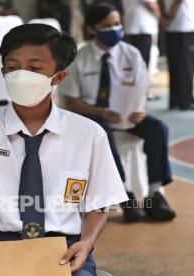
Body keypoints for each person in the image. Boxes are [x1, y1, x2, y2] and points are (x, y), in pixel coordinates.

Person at [0, 23, 128, 276]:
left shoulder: (88, 134)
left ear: (59, 76)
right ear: (3, 72)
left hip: (64, 247)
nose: (21, 75)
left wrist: (86, 242)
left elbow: (97, 205)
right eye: (12, 67)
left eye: (34, 68)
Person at [57, 3, 176, 222]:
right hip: (93, 116)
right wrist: (100, 111)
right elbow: (71, 102)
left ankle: (155, 194)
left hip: (128, 115)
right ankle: (126, 195)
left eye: (117, 24)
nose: (114, 30)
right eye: (106, 26)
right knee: (103, 131)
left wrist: (140, 110)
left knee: (158, 128)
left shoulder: (131, 54)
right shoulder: (79, 59)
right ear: (92, 29)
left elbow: (142, 89)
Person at [159, 0, 194, 110]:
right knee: (186, 66)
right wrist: (168, 18)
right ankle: (185, 102)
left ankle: (175, 101)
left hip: (174, 26)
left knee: (175, 65)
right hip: (184, 25)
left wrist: (165, 16)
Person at [122, 0, 160, 67]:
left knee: (134, 61)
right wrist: (161, 18)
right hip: (143, 28)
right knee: (142, 62)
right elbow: (151, 4)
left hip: (131, 26)